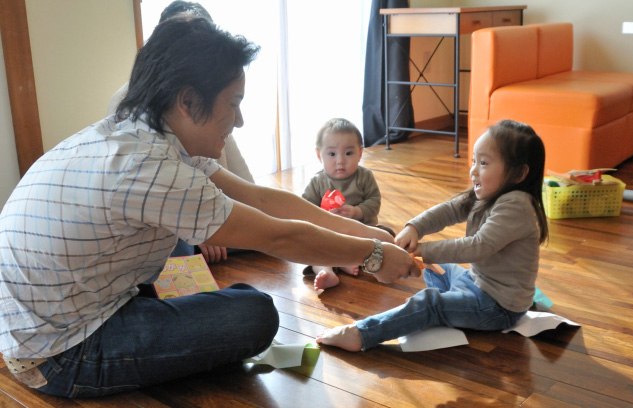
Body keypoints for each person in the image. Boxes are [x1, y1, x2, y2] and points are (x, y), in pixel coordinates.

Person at [0, 17, 420, 398]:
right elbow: (279, 235)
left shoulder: (145, 133)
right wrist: (375, 257)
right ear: (187, 101)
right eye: (233, 102)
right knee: (253, 316)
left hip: (42, 316)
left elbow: (262, 198)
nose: (239, 121)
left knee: (206, 270)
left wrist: (368, 234)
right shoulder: (152, 171)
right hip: (54, 355)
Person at [316, 119, 549, 352]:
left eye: (484, 163)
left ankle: (362, 334)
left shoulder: (517, 205)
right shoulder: (491, 191)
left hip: (498, 307)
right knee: (438, 268)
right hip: (475, 282)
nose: (473, 170)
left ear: (518, 174)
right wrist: (414, 228)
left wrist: (422, 251)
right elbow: (451, 209)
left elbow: (477, 247)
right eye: (474, 161)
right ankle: (452, 308)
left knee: (429, 304)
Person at [107, 1, 252, 264]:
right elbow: (159, 198)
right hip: (168, 219)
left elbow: (248, 188)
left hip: (201, 207)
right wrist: (203, 230)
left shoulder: (209, 103)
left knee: (260, 232)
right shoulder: (133, 105)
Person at [301, 118, 385, 290]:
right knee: (313, 249)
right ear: (319, 155)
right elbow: (304, 208)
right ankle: (327, 272)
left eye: (348, 153)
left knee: (383, 237)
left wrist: (357, 211)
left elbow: (374, 201)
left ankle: (350, 261)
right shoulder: (317, 182)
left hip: (360, 232)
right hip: (330, 235)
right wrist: (323, 217)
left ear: (360, 153)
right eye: (332, 154)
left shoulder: (365, 177)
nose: (340, 161)